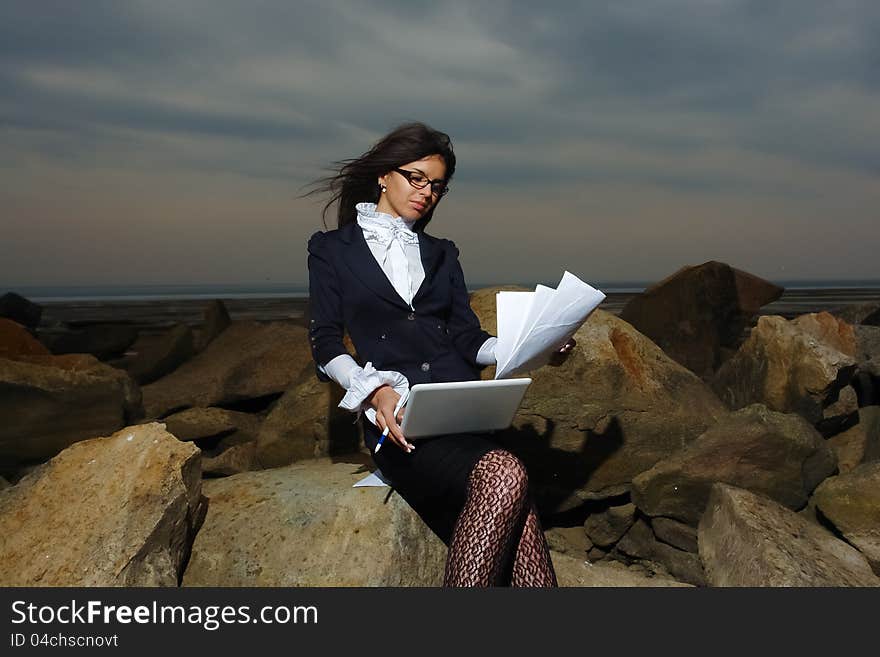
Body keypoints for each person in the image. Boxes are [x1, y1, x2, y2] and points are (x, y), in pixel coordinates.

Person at [307, 122, 572, 587]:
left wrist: (534, 343)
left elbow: (468, 339)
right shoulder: (332, 250)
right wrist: (373, 392)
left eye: (438, 187)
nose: (427, 193)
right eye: (417, 178)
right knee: (508, 474)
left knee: (521, 519)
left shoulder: (442, 253)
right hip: (402, 422)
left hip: (461, 412)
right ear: (384, 175)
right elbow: (325, 340)